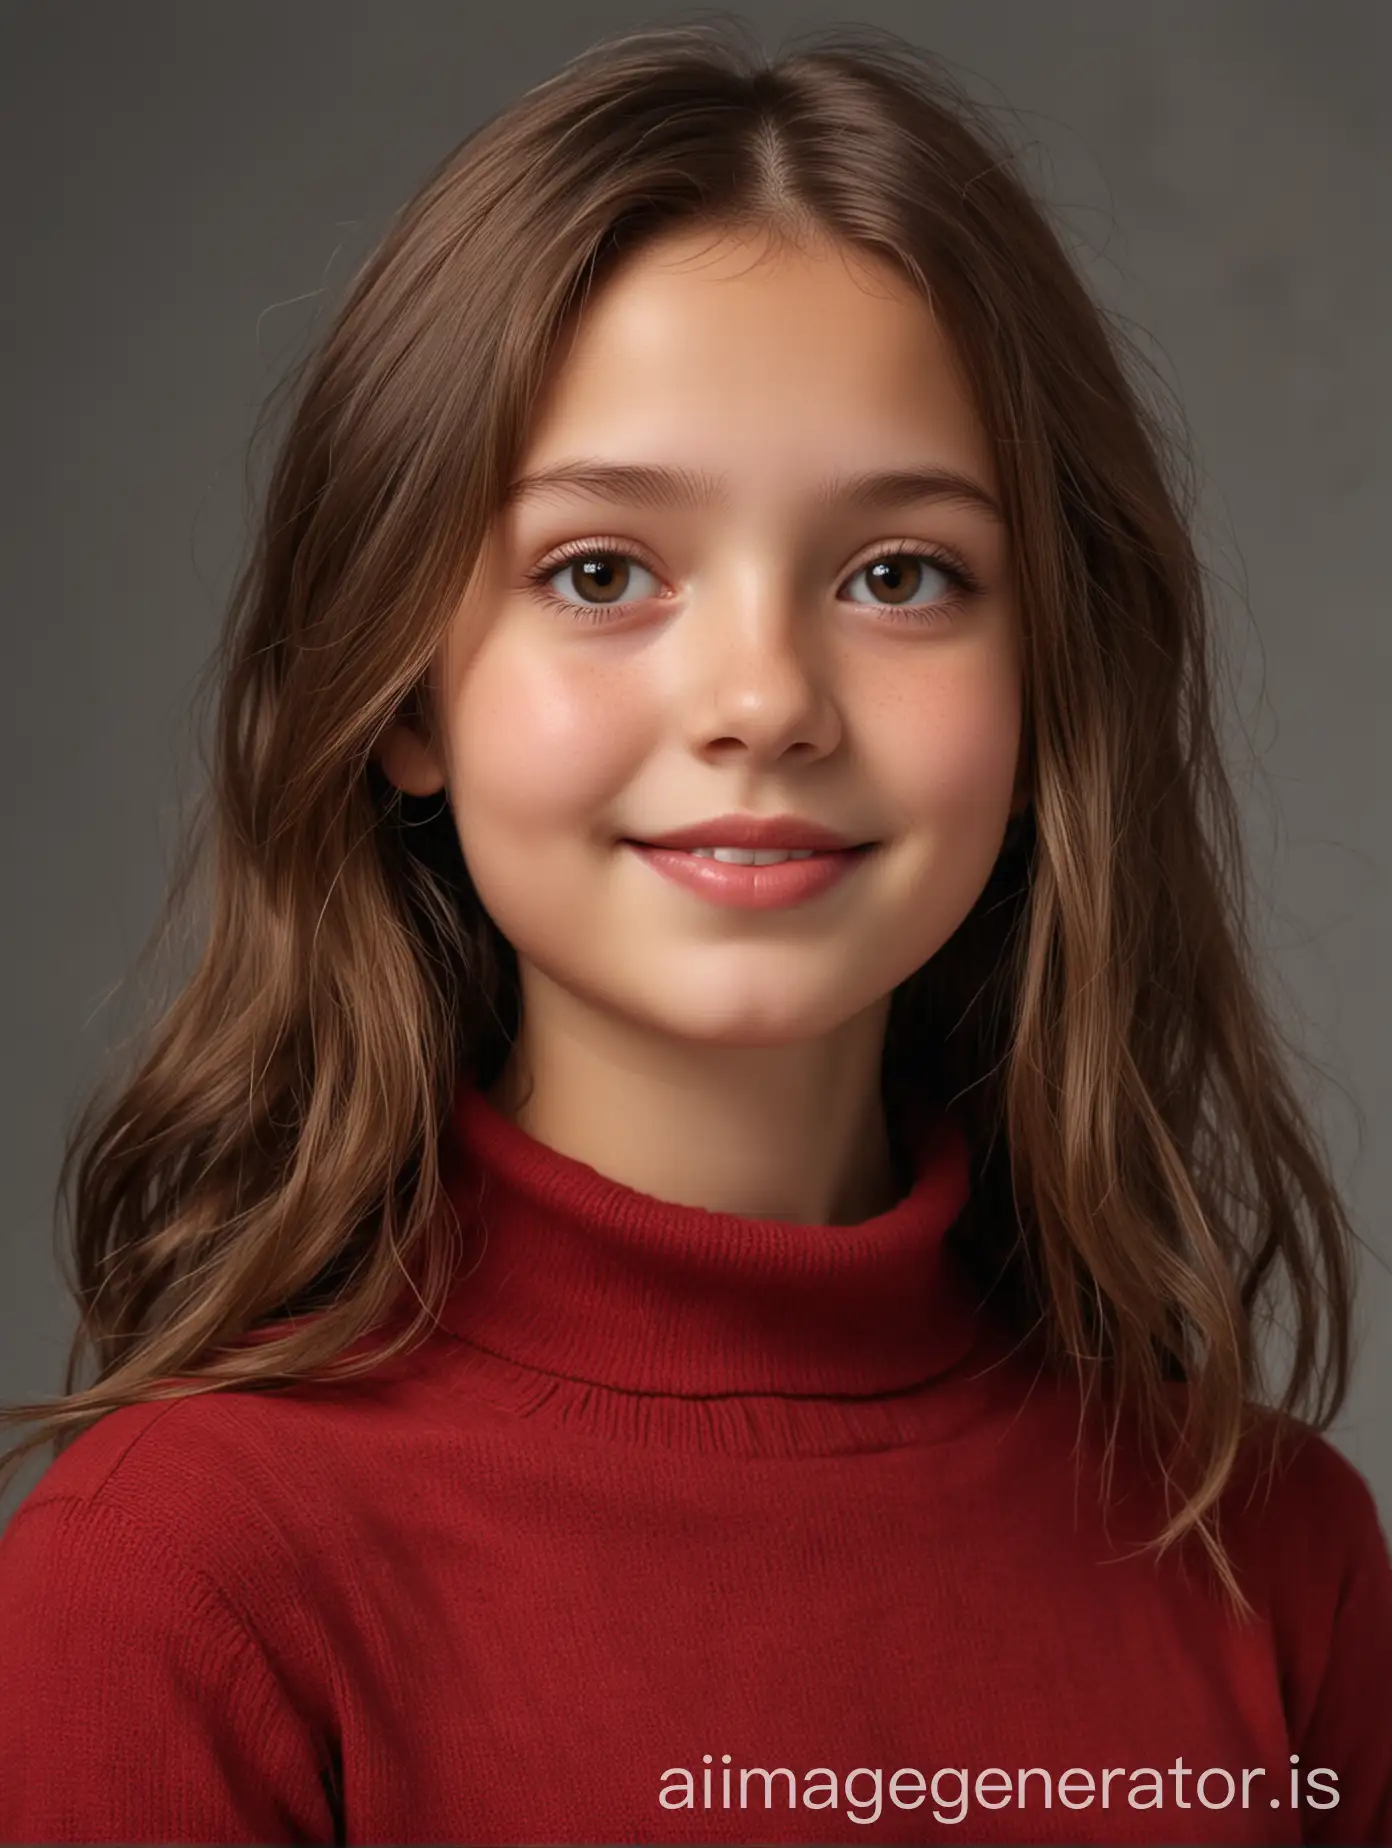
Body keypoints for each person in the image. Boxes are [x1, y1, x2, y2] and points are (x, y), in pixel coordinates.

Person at [0, 19, 1387, 1846]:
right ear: (403, 692)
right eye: (600, 572)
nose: (761, 699)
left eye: (899, 575)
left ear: (1055, 689)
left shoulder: (1274, 1554)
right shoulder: (174, 1589)